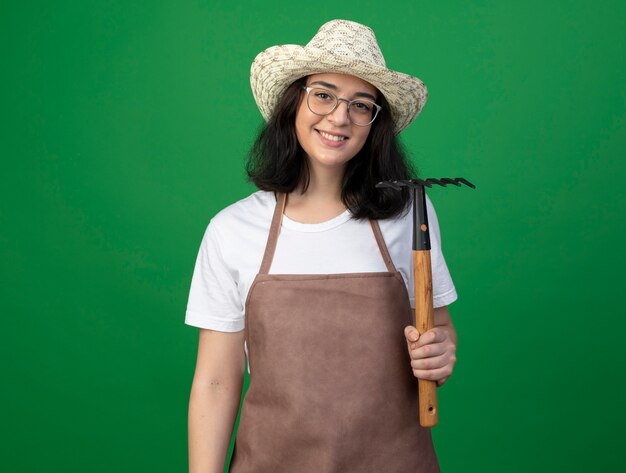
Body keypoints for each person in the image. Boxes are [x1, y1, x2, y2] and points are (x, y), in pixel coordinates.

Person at [186, 19, 458, 473]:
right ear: (294, 101)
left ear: (376, 123)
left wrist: (441, 352)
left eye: (361, 104)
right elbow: (216, 381)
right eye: (324, 94)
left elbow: (441, 329)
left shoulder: (410, 214)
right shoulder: (232, 229)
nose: (339, 117)